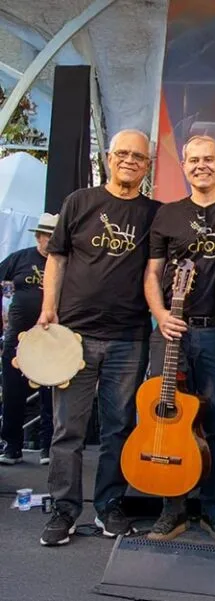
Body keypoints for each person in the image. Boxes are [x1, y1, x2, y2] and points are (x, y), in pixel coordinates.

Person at [38, 129, 160, 546]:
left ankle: (109, 505)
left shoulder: (154, 213)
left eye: (138, 156)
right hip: (74, 335)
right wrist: (47, 308)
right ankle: (64, 509)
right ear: (109, 157)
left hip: (129, 337)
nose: (129, 160)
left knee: (119, 428)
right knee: (66, 429)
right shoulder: (79, 202)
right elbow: (56, 258)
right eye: (122, 153)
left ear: (148, 165)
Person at [143, 135, 215, 541]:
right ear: (183, 164)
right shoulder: (166, 215)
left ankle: (213, 509)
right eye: (193, 160)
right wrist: (160, 315)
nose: (200, 166)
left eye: (207, 159)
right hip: (173, 331)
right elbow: (152, 274)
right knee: (167, 419)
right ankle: (172, 509)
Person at [0, 213, 57, 466]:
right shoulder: (20, 258)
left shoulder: (64, 262)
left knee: (50, 395)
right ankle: (11, 447)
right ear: (38, 236)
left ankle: (48, 449)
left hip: (50, 338)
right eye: (48, 235)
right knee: (13, 392)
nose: (52, 240)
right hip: (18, 337)